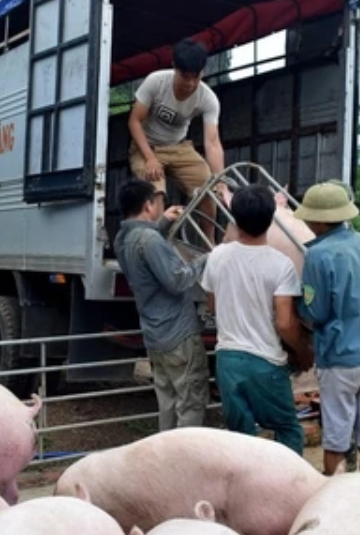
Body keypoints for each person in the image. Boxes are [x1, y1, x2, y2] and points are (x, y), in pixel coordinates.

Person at [201, 185, 313, 453]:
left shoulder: (216, 257)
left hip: (227, 359)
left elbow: (213, 304)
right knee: (286, 428)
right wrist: (302, 350)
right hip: (265, 362)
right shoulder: (281, 264)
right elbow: (285, 323)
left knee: (240, 438)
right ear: (271, 217)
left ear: (235, 218)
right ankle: (290, 490)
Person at [295, 181, 360, 475]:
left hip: (341, 358)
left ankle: (334, 502)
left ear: (322, 219)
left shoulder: (318, 255)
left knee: (336, 441)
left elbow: (317, 311)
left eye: (310, 217)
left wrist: (295, 306)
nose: (307, 222)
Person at [114, 179, 210, 431]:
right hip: (178, 333)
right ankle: (184, 460)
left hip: (155, 333)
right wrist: (207, 259)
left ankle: (166, 459)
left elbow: (144, 243)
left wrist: (163, 222)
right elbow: (178, 280)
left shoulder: (122, 239)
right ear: (148, 205)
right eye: (158, 202)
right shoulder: (150, 240)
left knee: (167, 401)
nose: (161, 204)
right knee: (190, 400)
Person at [128, 38, 227, 242]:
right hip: (147, 147)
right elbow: (134, 122)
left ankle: (209, 244)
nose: (190, 83)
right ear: (174, 68)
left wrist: (220, 180)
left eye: (196, 76)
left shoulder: (208, 98)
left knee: (208, 188)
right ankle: (156, 243)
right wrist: (149, 158)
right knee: (155, 192)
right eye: (185, 76)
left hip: (179, 147)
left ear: (202, 72)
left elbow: (213, 142)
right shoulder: (156, 82)